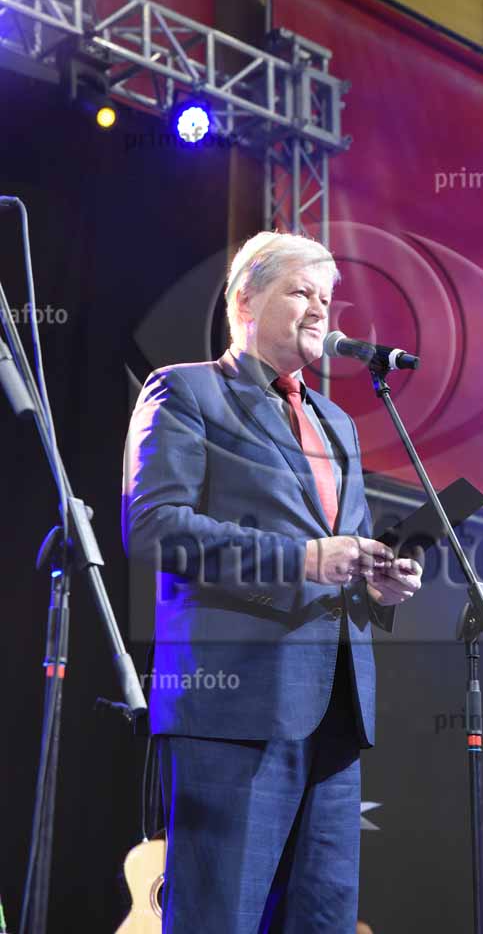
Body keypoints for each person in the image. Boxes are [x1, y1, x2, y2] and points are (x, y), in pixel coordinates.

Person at [122, 231, 423, 933]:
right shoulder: (188, 391)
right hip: (233, 710)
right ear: (245, 303)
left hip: (336, 714)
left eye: (327, 296)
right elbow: (156, 527)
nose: (321, 309)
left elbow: (339, 553)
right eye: (301, 292)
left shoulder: (336, 421)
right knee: (218, 919)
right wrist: (304, 560)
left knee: (322, 921)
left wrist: (377, 584)